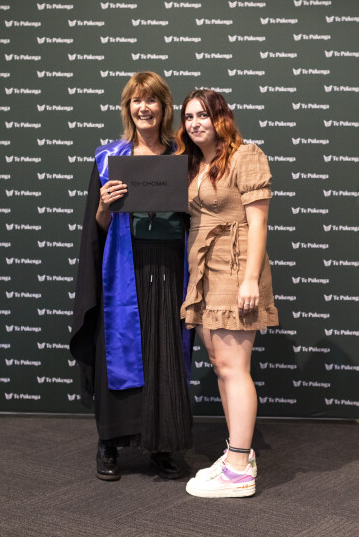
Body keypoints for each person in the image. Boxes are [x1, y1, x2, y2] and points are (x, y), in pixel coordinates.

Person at [70, 71, 192, 481]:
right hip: (124, 267)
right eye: (136, 100)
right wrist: (104, 205)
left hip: (170, 267)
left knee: (164, 352)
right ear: (128, 108)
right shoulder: (109, 159)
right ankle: (109, 444)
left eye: (151, 100)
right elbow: (98, 228)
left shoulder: (183, 156)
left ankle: (162, 444)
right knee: (118, 352)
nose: (144, 107)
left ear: (164, 107)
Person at [176, 89, 279, 498]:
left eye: (202, 115)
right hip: (204, 272)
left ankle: (238, 471)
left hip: (236, 268)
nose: (194, 123)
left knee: (235, 368)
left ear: (220, 117)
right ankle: (238, 454)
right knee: (221, 365)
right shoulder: (193, 164)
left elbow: (258, 223)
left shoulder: (246, 155)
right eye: (188, 117)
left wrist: (250, 278)